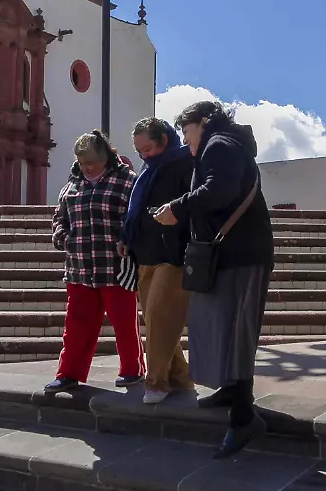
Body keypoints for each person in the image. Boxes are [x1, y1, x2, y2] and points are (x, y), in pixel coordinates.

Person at [153, 100, 273, 458]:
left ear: (202, 123)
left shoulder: (219, 144)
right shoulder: (221, 144)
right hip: (231, 256)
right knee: (222, 327)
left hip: (239, 256)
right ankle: (231, 391)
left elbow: (218, 190)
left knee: (234, 330)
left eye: (187, 132)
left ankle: (243, 418)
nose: (186, 140)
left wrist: (177, 208)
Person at [45, 131, 145, 392]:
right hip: (78, 268)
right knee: (76, 325)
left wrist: (126, 239)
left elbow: (135, 219)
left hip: (115, 268)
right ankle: (68, 373)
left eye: (92, 163)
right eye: (82, 163)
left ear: (105, 159)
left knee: (124, 323)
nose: (87, 168)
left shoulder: (127, 181)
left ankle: (132, 370)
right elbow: (60, 217)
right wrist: (61, 236)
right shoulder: (72, 184)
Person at [120, 117, 195, 405]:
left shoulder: (184, 163)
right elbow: (136, 210)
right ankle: (179, 377)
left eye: (148, 148)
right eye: (139, 151)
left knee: (159, 317)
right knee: (155, 320)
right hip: (145, 253)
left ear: (164, 139)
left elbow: (192, 204)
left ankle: (157, 383)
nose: (143, 155)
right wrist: (127, 237)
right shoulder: (148, 169)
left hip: (173, 254)